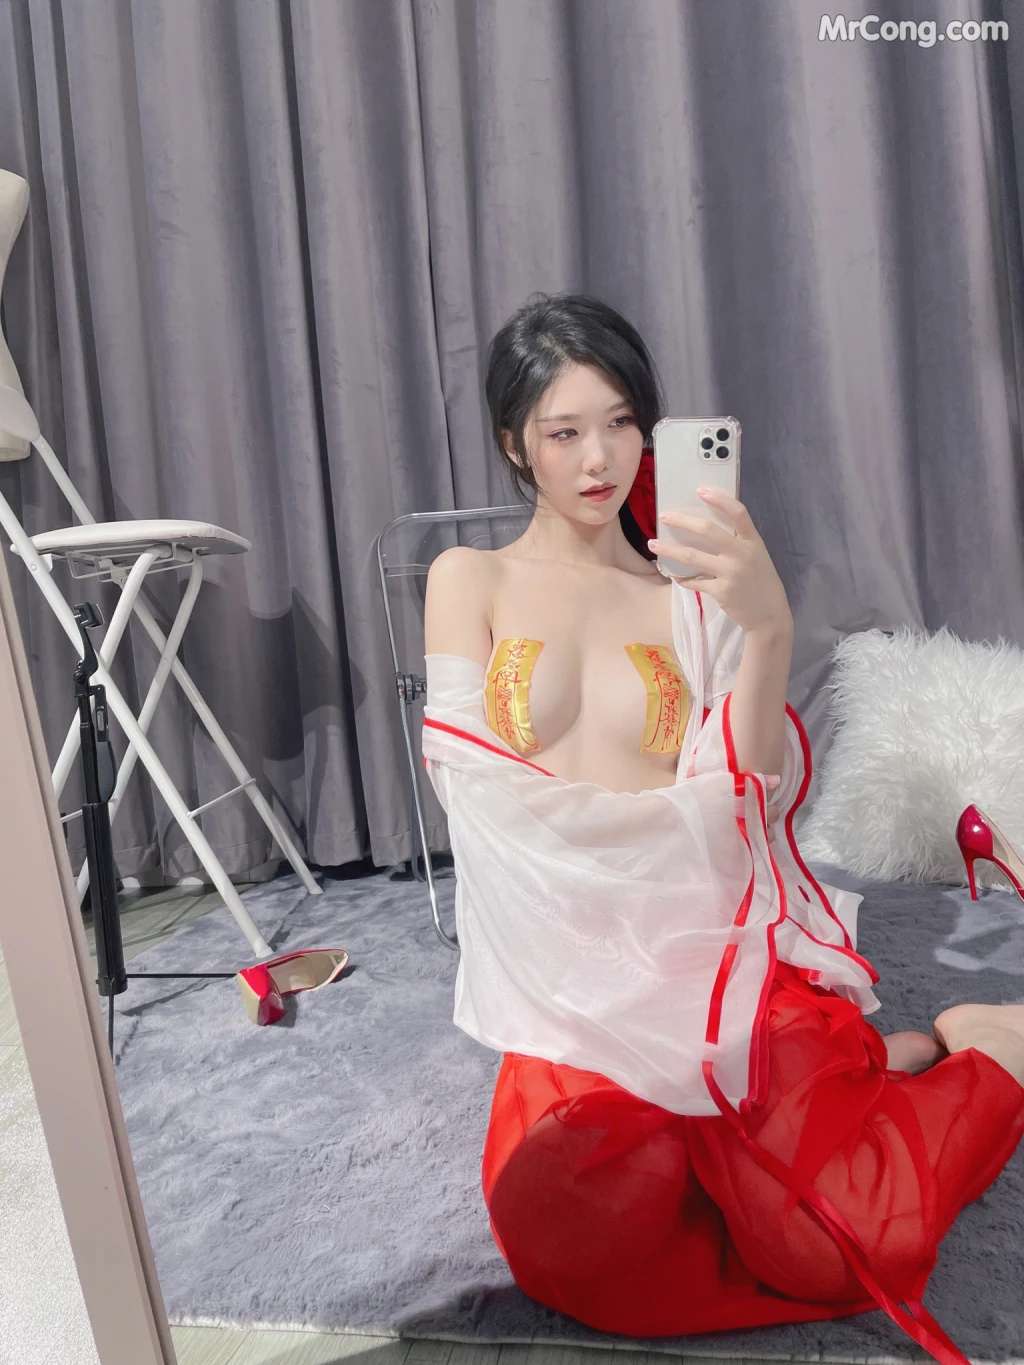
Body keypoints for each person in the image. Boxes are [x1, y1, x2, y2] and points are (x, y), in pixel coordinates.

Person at [420, 291, 1024, 1364]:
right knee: (586, 1232)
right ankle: (878, 1064)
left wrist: (767, 624)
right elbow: (472, 794)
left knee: (834, 1243)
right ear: (515, 443)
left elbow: (744, 794)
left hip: (706, 949)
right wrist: (652, 832)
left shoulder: (687, 599)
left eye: (621, 422)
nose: (598, 458)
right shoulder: (469, 579)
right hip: (570, 980)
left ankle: (994, 1050)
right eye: (564, 431)